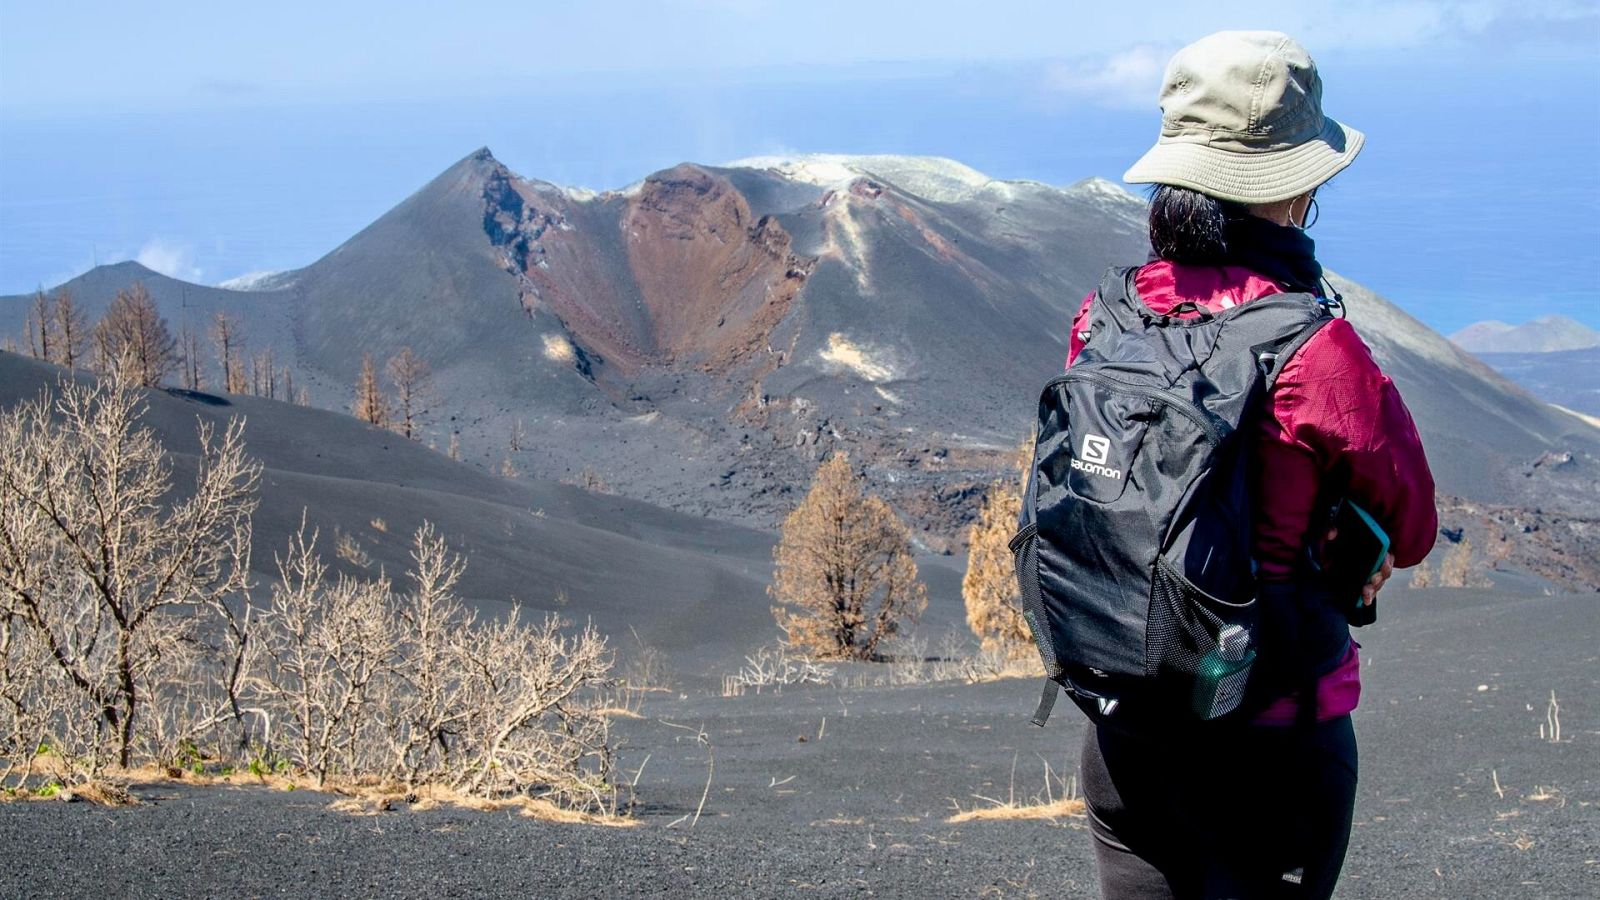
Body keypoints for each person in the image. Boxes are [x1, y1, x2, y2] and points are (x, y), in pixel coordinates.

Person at [1066, 31, 1438, 899]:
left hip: (1125, 728)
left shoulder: (1105, 315)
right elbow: (1413, 525)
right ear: (1294, 186)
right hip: (1275, 737)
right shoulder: (1313, 349)